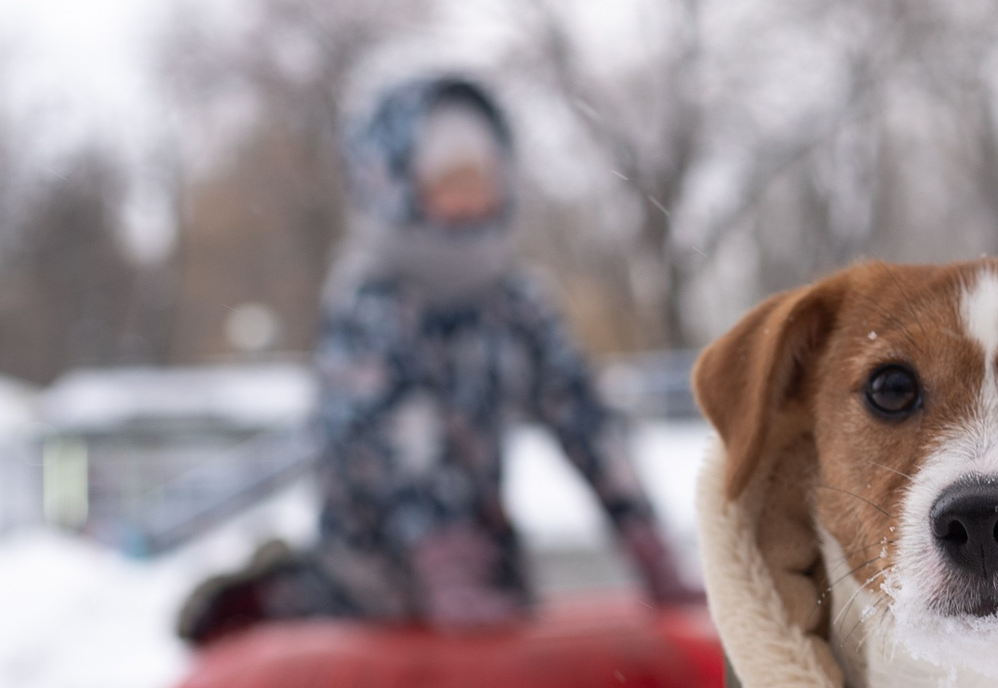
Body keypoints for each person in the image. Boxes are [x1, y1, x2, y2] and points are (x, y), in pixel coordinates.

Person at [178, 73, 690, 646]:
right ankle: (274, 599)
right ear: (399, 184)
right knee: (396, 493)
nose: (471, 194)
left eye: (482, 177)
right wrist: (442, 559)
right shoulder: (370, 299)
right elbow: (390, 440)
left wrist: (646, 542)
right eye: (450, 180)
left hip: (488, 568)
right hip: (374, 579)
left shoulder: (514, 302)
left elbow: (583, 417)